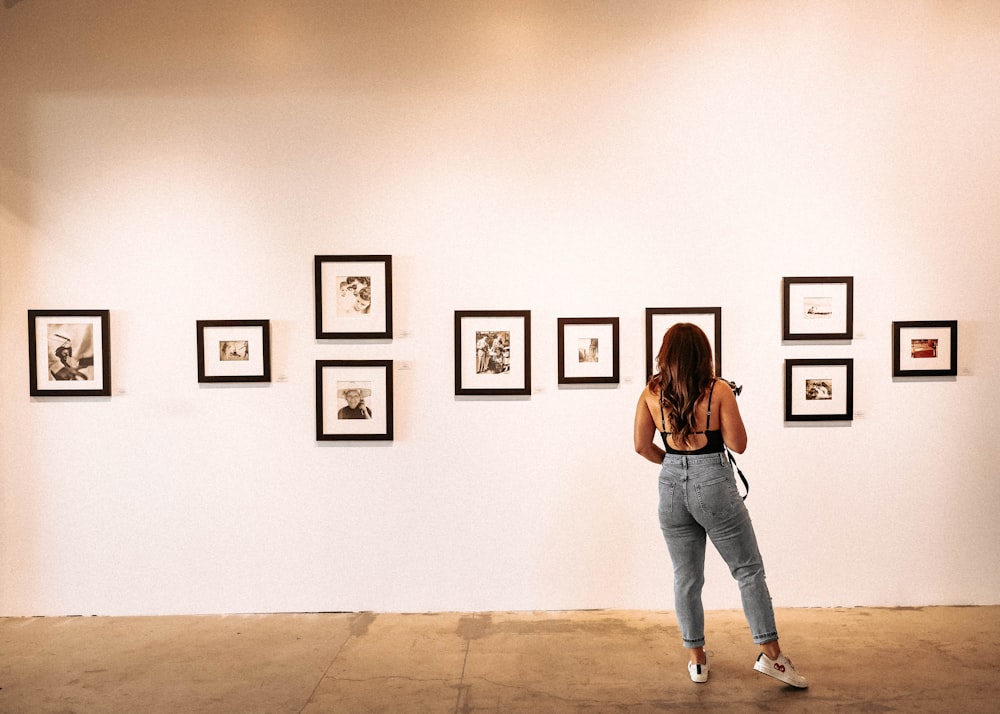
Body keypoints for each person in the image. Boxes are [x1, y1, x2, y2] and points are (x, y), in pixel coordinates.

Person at [633, 323, 808, 688]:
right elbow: (738, 444)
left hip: (669, 488)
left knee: (687, 577)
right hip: (712, 480)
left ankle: (697, 660)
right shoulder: (718, 390)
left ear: (665, 354)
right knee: (747, 570)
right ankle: (773, 658)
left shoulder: (651, 391)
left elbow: (641, 446)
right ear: (704, 353)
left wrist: (673, 461)